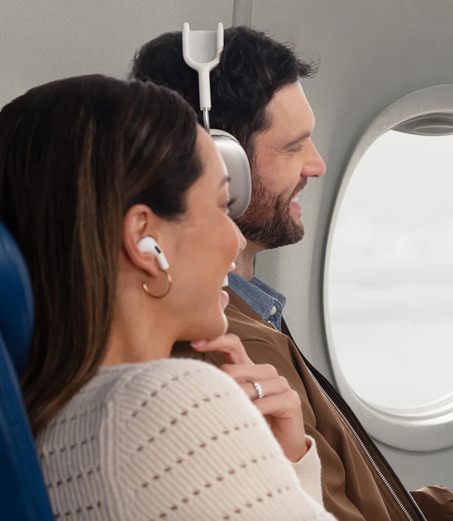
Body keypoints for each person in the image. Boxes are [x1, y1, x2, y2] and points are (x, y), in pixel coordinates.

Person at [131, 27, 453, 521]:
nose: (317, 164)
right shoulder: (225, 350)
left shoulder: (253, 313)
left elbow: (336, 491)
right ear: (219, 165)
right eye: (293, 147)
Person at [0, 75, 336, 520]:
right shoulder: (167, 400)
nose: (235, 240)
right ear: (144, 239)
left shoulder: (49, 425)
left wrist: (281, 459)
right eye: (220, 206)